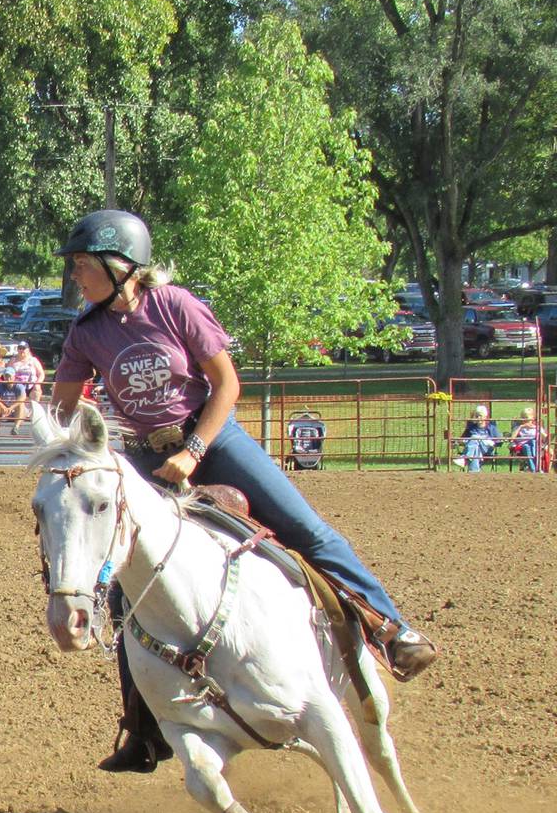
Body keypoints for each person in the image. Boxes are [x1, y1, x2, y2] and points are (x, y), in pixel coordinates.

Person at [48, 208, 439, 774]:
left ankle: (390, 628)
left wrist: (194, 452)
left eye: (83, 265)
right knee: (127, 587)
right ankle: (141, 727)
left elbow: (227, 383)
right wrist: (60, 432)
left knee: (304, 529)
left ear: (121, 265)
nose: (76, 276)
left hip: (213, 438)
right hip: (144, 456)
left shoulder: (175, 306)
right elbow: (63, 406)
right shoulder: (86, 332)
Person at [456, 405, 502, 472]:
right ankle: (474, 472)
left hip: (487, 449)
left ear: (485, 416)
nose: (478, 418)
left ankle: (464, 459)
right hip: (476, 450)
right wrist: (463, 442)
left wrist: (487, 441)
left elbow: (499, 442)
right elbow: (461, 440)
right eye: (477, 416)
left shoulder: (491, 427)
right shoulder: (471, 427)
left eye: (480, 416)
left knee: (474, 438)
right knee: (475, 447)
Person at [0, 367, 27, 433]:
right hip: (3, 408)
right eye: (6, 376)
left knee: (21, 404)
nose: (8, 378)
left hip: (15, 409)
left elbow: (23, 397)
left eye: (10, 376)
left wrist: (11, 407)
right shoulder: (0, 385)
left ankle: (16, 427)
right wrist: (2, 406)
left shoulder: (19, 386)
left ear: (14, 377)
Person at [508, 407, 543, 473]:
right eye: (524, 419)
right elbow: (511, 439)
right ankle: (534, 469)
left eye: (528, 420)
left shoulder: (536, 427)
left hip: (535, 446)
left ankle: (536, 468)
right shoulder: (518, 427)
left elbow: (545, 436)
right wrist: (521, 427)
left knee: (533, 442)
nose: (526, 422)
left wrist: (537, 428)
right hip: (522, 447)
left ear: (532, 419)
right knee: (526, 446)